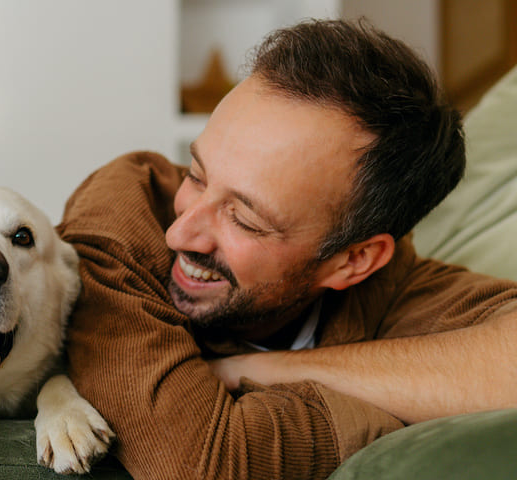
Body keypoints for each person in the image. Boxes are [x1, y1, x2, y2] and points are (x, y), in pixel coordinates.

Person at [56, 19, 517, 479]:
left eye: (246, 219)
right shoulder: (123, 208)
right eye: (196, 177)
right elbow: (203, 463)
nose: (180, 233)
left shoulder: (398, 289)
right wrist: (384, 416)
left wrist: (259, 368)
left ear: (354, 260)